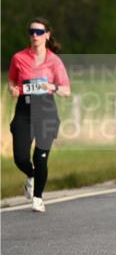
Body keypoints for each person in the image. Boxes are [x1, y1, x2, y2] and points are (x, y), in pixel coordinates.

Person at [7, 18, 71, 213]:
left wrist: (52, 86)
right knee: (20, 157)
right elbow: (11, 81)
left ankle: (38, 198)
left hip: (46, 112)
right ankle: (32, 176)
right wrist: (13, 90)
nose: (35, 35)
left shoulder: (54, 61)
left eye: (39, 32)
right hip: (24, 111)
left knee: (41, 157)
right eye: (32, 32)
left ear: (47, 35)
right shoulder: (18, 58)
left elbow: (66, 90)